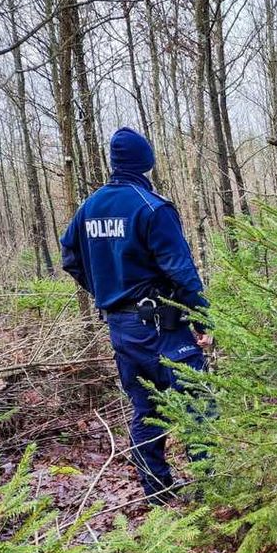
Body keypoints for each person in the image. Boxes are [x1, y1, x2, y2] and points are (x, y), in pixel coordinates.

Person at [60, 127, 211, 504]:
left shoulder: (89, 208)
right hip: (162, 327)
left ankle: (156, 493)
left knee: (146, 407)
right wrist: (201, 319)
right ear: (146, 161)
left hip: (122, 328)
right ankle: (212, 490)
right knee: (197, 404)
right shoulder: (151, 207)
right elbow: (180, 269)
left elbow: (70, 258)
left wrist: (105, 292)